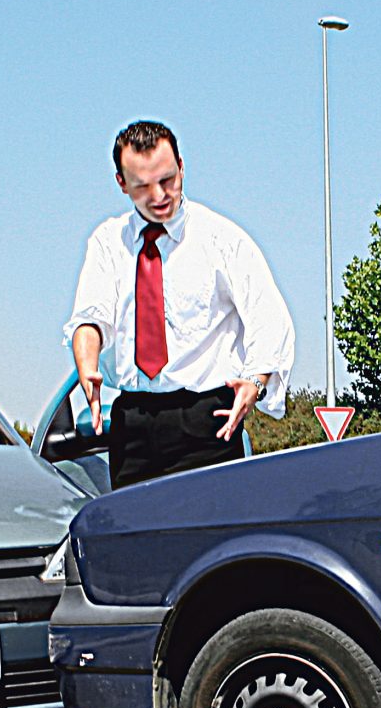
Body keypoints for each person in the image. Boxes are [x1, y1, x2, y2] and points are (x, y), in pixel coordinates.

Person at [65, 120, 295, 488]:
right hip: (133, 426)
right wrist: (87, 363)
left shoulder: (222, 239)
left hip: (208, 421)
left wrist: (255, 380)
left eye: (168, 180)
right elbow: (90, 319)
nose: (159, 195)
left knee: (210, 542)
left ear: (182, 167)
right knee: (138, 541)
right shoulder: (108, 243)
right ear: (121, 183)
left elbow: (268, 317)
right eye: (142, 186)